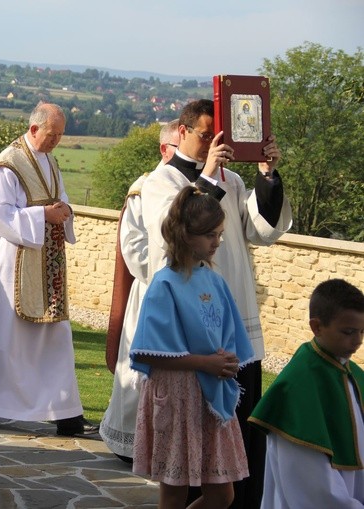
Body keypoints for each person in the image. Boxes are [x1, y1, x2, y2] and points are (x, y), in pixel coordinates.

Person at [112, 99, 292, 507]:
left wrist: (267, 175)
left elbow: (259, 231)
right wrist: (207, 176)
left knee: (233, 449)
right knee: (186, 465)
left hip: (230, 321)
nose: (214, 142)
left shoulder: (230, 179)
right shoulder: (159, 182)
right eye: (206, 134)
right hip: (188, 345)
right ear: (182, 132)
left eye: (219, 135)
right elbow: (165, 243)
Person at [0, 103, 97, 436]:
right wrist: (44, 217)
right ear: (34, 129)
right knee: (6, 337)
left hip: (48, 263)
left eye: (60, 136)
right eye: (51, 135)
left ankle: (64, 409)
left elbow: (60, 197)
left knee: (56, 335)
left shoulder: (51, 161)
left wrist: (64, 210)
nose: (55, 141)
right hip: (14, 264)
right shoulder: (8, 165)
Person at [131, 186, 254, 509]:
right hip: (177, 394)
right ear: (185, 235)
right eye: (210, 235)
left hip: (209, 394)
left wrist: (227, 360)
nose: (217, 242)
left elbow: (226, 332)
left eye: (219, 234)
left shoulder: (214, 281)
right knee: (174, 490)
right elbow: (146, 352)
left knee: (221, 493)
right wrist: (205, 363)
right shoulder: (164, 283)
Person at [101, 120, 179, 462]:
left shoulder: (200, 185)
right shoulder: (144, 188)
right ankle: (128, 442)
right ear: (165, 149)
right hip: (151, 294)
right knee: (137, 374)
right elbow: (134, 248)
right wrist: (173, 271)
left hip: (187, 297)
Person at [249, 279, 364, 508]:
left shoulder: (353, 374)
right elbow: (311, 486)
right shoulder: (297, 388)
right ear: (317, 327)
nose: (358, 341)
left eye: (362, 331)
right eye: (349, 332)